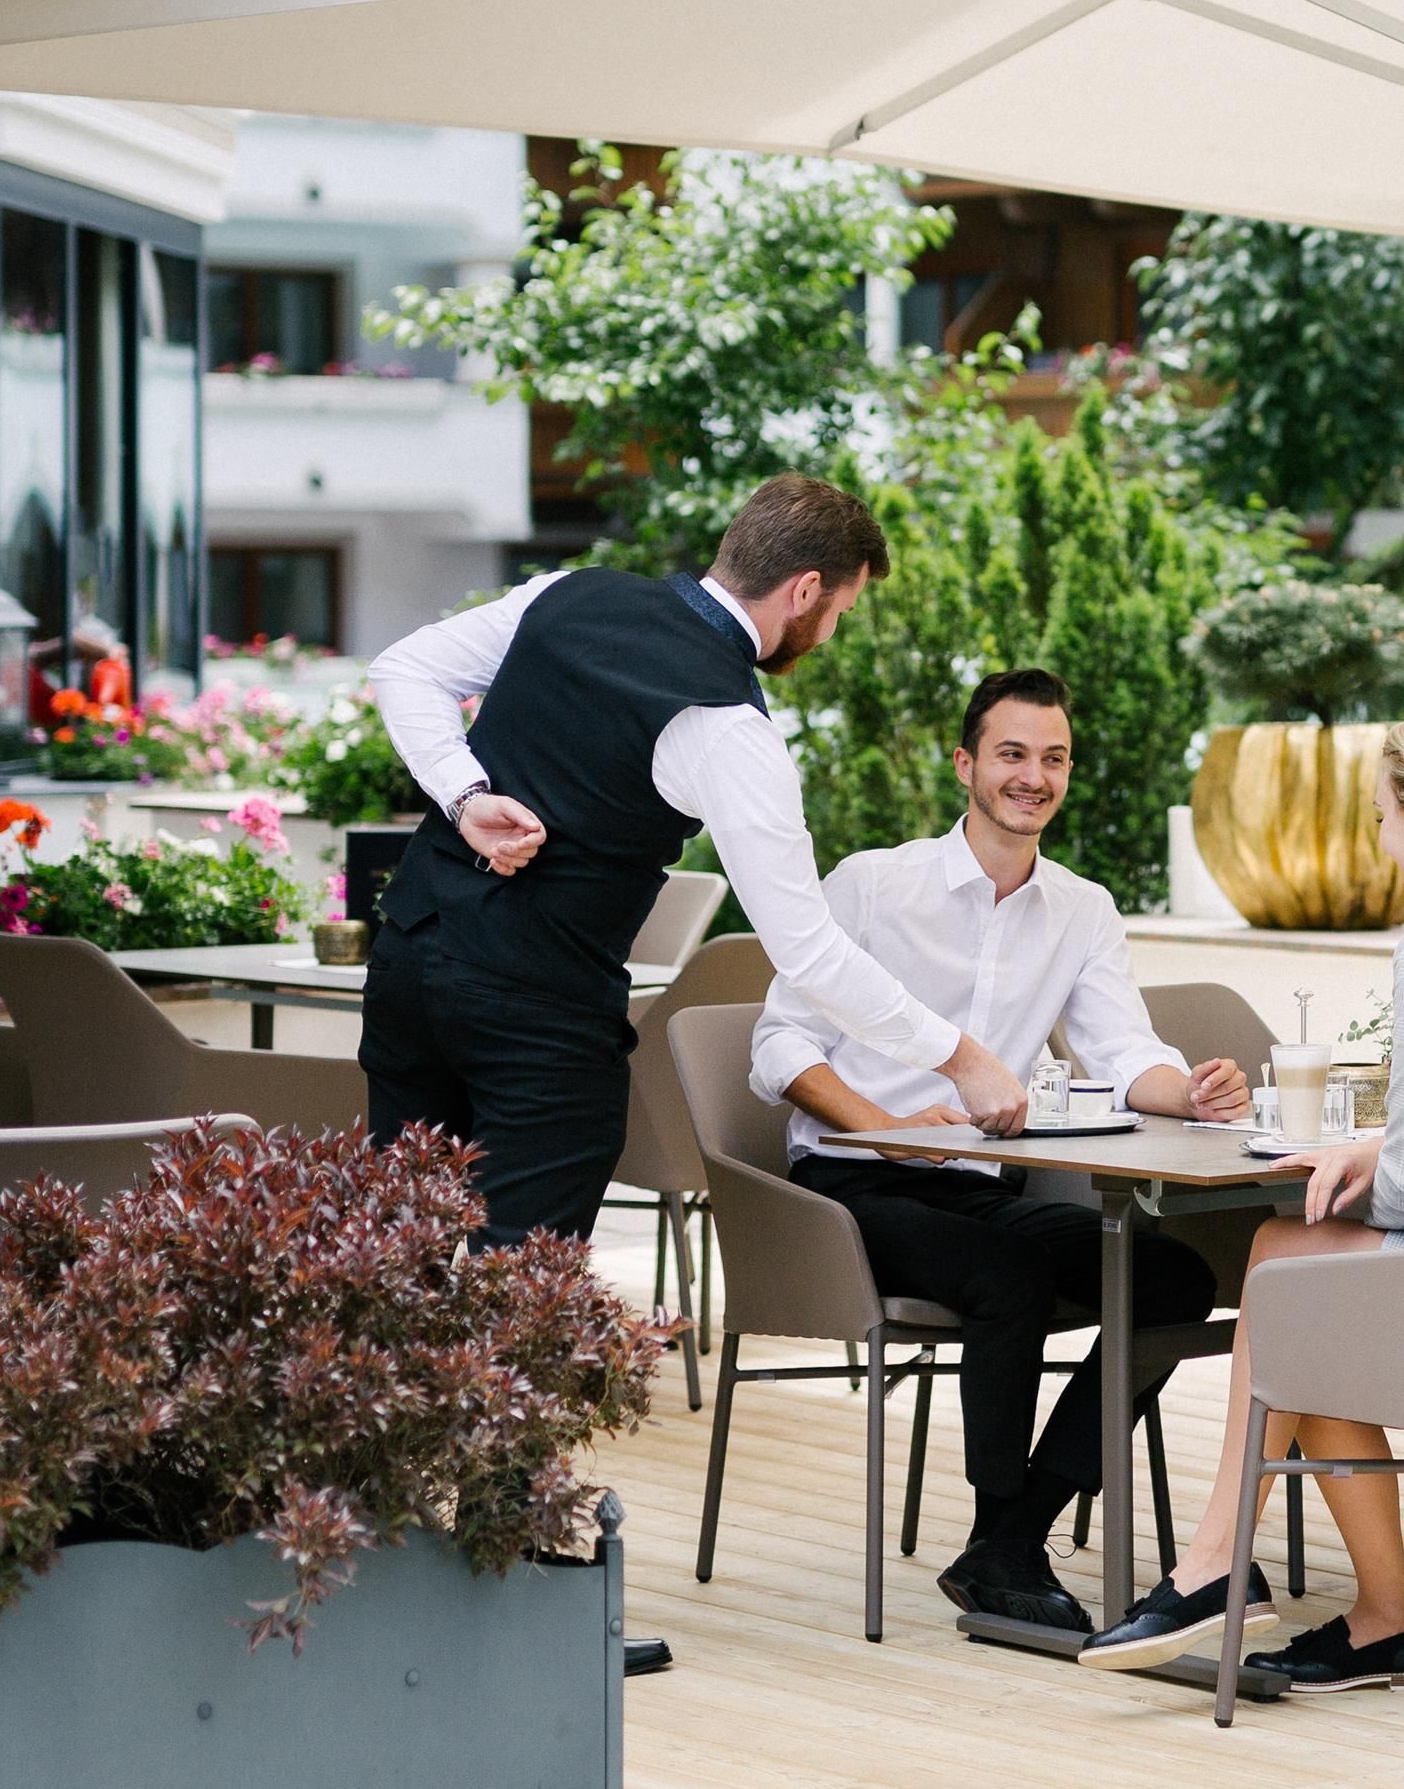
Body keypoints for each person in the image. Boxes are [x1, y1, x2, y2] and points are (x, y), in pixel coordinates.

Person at [1078, 709, 1404, 1694]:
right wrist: (1379, 1145)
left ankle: (1211, 1564)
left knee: (1287, 1262)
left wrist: (1371, 1169)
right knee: (1304, 1310)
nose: (1377, 838)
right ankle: (1383, 1622)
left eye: (1377, 817)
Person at [358, 474, 1032, 1251]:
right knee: (516, 1301)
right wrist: (961, 1056)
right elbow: (806, 949)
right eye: (841, 611)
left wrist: (461, 793)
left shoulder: (572, 591)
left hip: (412, 955)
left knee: (393, 1266)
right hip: (538, 1013)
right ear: (804, 589)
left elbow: (404, 667)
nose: (832, 632)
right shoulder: (726, 724)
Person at [753, 667, 1256, 1634]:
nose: (1034, 776)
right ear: (966, 765)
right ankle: (1002, 1537)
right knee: (1010, 1277)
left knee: (1168, 1276)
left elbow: (1124, 1053)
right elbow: (778, 1048)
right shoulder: (872, 883)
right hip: (845, 1182)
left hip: (976, 1187)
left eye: (1053, 758)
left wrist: (1189, 1092)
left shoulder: (1081, 908)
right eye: (1013, 754)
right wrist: (884, 1132)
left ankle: (1015, 1536)